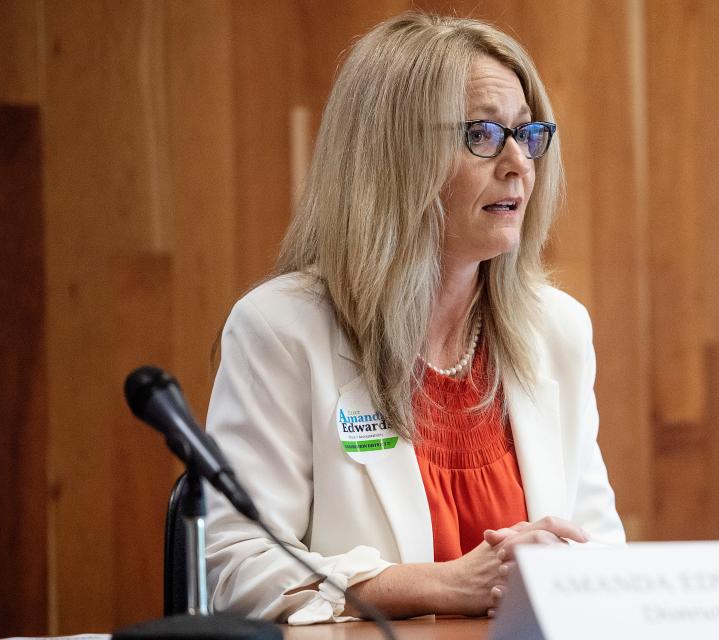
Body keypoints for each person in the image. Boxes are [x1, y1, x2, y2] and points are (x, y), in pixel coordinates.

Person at [204, 11, 625, 625]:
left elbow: (602, 556)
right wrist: (445, 585)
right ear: (391, 155)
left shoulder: (556, 330)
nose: (518, 164)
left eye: (527, 133)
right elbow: (238, 567)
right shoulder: (283, 330)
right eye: (482, 134)